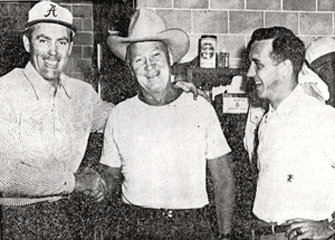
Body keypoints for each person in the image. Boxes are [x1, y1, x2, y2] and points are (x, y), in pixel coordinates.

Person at [0, 2, 201, 239]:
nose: (52, 52)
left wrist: (167, 93)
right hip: (19, 221)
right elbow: (6, 176)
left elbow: (127, 118)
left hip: (69, 218)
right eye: (43, 40)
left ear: (70, 46)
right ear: (27, 43)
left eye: (61, 42)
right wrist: (76, 182)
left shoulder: (82, 95)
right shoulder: (6, 91)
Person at [100, 8, 234, 240]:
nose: (149, 66)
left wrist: (225, 235)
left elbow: (223, 178)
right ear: (130, 69)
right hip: (136, 226)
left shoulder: (199, 107)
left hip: (192, 227)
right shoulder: (120, 114)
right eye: (139, 60)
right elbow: (109, 177)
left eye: (156, 56)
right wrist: (89, 184)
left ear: (170, 58)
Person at [246, 26, 335, 240]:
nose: (250, 74)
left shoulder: (321, 117)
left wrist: (330, 226)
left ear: (284, 68)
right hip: (264, 234)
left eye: (258, 65)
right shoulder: (265, 122)